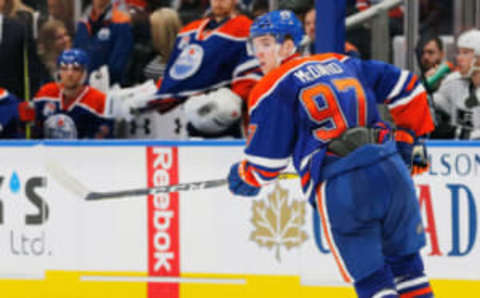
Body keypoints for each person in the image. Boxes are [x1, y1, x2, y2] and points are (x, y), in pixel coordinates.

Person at [227, 10, 435, 298]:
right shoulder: (341, 62)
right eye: (254, 45)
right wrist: (410, 146)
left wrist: (243, 177)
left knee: (373, 280)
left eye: (265, 43)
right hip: (391, 170)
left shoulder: (270, 86)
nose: (258, 53)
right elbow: (410, 88)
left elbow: (266, 167)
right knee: (409, 270)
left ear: (289, 46)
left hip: (344, 185)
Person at [150, 0, 261, 138]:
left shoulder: (246, 29)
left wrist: (235, 98)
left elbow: (252, 73)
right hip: (194, 115)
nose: (218, 2)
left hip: (228, 117)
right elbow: (177, 75)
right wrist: (154, 96)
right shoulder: (190, 31)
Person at [33, 49, 114, 139]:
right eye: (64, 68)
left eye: (76, 69)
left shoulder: (99, 100)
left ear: (84, 73)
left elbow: (104, 140)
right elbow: (35, 131)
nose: (69, 74)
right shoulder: (45, 93)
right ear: (59, 72)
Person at [432, 29, 480, 140]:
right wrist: (428, 88)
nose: (459, 58)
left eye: (465, 53)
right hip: (458, 152)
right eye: (459, 52)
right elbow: (431, 107)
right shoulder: (453, 82)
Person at [74, 0, 134, 86]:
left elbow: (117, 67)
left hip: (108, 88)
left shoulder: (122, 22)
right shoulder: (83, 21)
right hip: (81, 87)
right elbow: (76, 55)